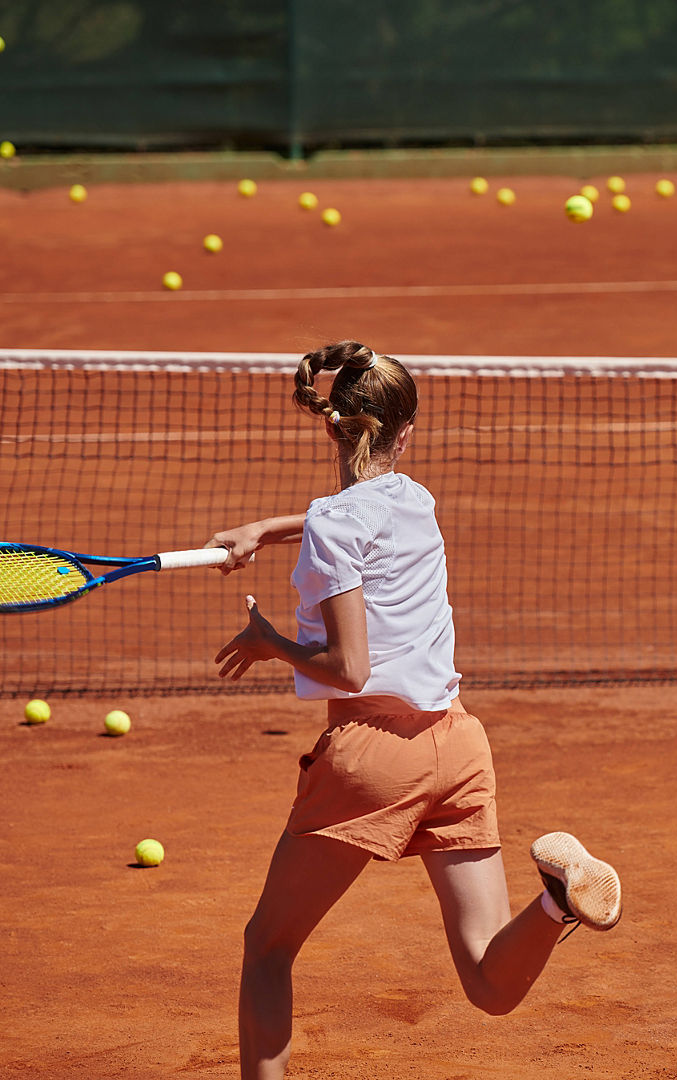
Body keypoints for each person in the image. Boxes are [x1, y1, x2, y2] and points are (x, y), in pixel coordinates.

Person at [208, 341, 622, 1080]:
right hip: (459, 747)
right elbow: (351, 520)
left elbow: (349, 668)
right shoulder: (416, 497)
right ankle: (558, 902)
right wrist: (266, 532)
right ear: (405, 434)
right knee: (490, 984)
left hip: (373, 758)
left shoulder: (335, 524)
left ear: (331, 428)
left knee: (267, 948)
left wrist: (271, 643)